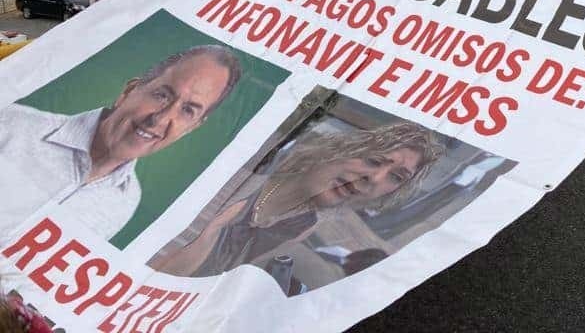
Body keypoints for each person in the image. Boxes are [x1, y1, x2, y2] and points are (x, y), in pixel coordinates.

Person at [150, 122, 444, 286]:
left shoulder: (302, 225)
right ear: (337, 150)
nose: (374, 178)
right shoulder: (244, 175)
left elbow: (220, 283)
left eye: (395, 177)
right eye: (373, 160)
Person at [0, 45, 241, 238]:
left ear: (192, 128)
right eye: (162, 95)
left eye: (188, 110)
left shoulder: (126, 201)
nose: (161, 119)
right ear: (129, 91)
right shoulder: (12, 123)